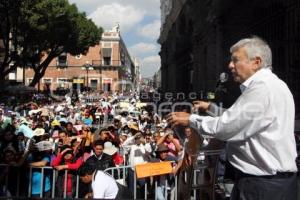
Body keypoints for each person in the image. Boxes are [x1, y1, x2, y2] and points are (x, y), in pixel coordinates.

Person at [167, 36, 298, 200]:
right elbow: (239, 118)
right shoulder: (272, 85)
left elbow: (226, 127)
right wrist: (209, 108)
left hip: (263, 186)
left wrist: (191, 119)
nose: (230, 65)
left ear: (256, 62)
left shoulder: (263, 88)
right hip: (262, 182)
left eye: (235, 60)